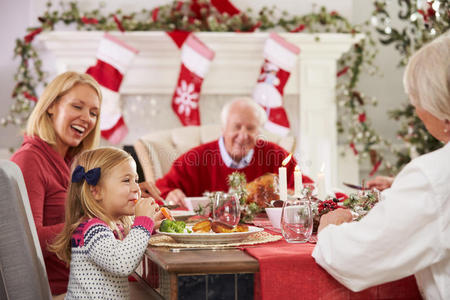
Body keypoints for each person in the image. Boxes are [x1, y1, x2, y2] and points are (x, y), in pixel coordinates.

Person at [312, 33, 450, 300]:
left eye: (416, 101)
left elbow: (360, 256)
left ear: (438, 106)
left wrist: (329, 229)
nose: (416, 111)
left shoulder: (434, 175)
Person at [10, 71, 162, 295]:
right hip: (71, 289)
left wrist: (124, 197)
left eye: (94, 113)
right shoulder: (30, 159)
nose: (87, 118)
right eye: (77, 106)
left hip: (103, 278)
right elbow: (25, 242)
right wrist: (97, 219)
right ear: (51, 106)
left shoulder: (72, 161)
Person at [50, 147, 164, 299]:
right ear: (96, 191)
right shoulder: (91, 230)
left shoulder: (115, 227)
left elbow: (132, 256)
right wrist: (142, 224)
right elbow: (121, 264)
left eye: (136, 180)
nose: (137, 188)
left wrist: (149, 229)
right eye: (126, 180)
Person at [156, 97, 313, 206]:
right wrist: (170, 194)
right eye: (236, 127)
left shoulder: (277, 156)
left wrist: (301, 192)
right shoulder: (194, 158)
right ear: (223, 128)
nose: (243, 135)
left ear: (258, 131)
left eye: (250, 128)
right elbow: (159, 189)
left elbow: (306, 186)